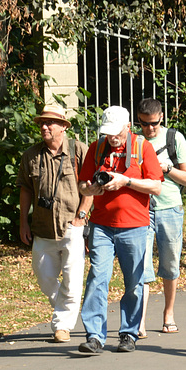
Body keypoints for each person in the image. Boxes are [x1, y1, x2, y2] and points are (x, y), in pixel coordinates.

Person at [77, 105, 163, 354]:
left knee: (133, 283)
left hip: (134, 226)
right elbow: (83, 183)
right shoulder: (97, 148)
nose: (112, 138)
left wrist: (126, 181)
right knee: (97, 278)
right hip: (101, 225)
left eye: (116, 132)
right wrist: (89, 189)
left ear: (128, 127)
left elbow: (156, 186)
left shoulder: (141, 147)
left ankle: (128, 333)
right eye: (107, 133)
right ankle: (94, 336)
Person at [17, 103, 93, 344]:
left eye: (50, 122)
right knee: (44, 276)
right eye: (41, 123)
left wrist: (81, 215)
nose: (44, 126)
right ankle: (66, 307)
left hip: (73, 225)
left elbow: (90, 187)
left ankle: (62, 325)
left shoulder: (79, 151)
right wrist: (23, 222)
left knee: (72, 277)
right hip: (42, 227)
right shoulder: (31, 155)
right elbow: (26, 190)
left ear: (63, 126)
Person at [136, 98, 186, 337]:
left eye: (154, 124)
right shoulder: (134, 141)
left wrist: (166, 168)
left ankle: (168, 314)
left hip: (170, 208)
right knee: (141, 265)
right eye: (144, 124)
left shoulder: (174, 138)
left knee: (170, 264)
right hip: (141, 208)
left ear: (162, 118)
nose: (150, 129)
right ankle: (138, 321)